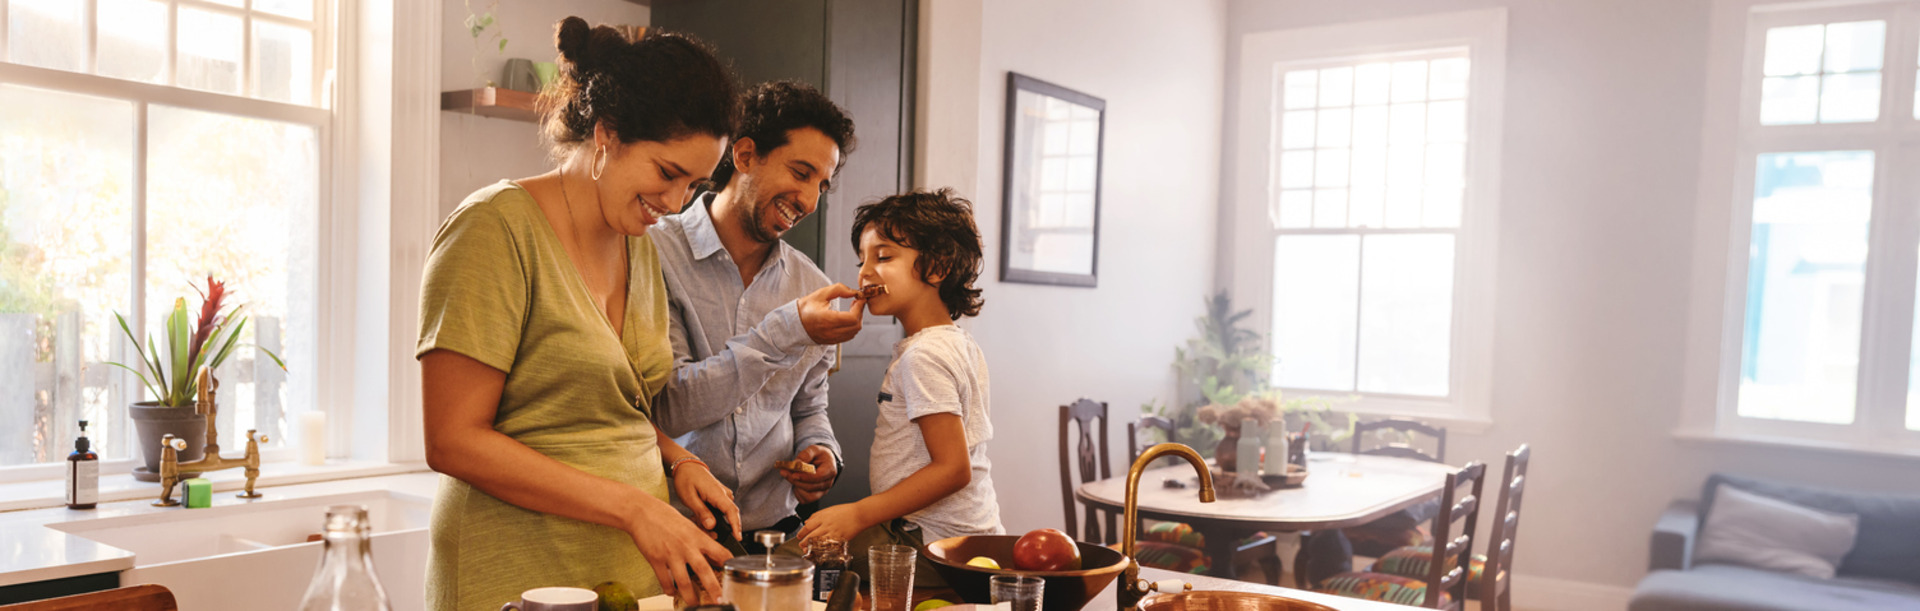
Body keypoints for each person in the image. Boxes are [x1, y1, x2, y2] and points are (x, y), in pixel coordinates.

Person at [416, 17, 742, 610]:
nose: (673, 205)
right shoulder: (493, 228)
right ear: (607, 134)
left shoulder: (637, 243)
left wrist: (677, 458)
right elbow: (452, 440)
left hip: (625, 578)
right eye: (667, 173)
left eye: (694, 186)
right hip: (513, 576)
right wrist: (636, 507)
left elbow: (598, 406)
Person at [652, 80, 864, 548]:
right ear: (745, 156)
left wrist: (823, 452)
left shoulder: (810, 285)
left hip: (775, 535)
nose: (809, 201)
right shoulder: (654, 253)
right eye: (801, 172)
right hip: (675, 533)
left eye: (821, 186)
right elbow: (669, 408)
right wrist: (787, 330)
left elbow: (809, 405)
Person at [794, 188, 1003, 583]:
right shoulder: (955, 341)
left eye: (884, 256)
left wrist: (857, 513)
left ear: (938, 268)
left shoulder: (923, 356)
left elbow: (953, 468)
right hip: (955, 539)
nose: (864, 272)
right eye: (862, 260)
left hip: (926, 544)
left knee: (792, 566)